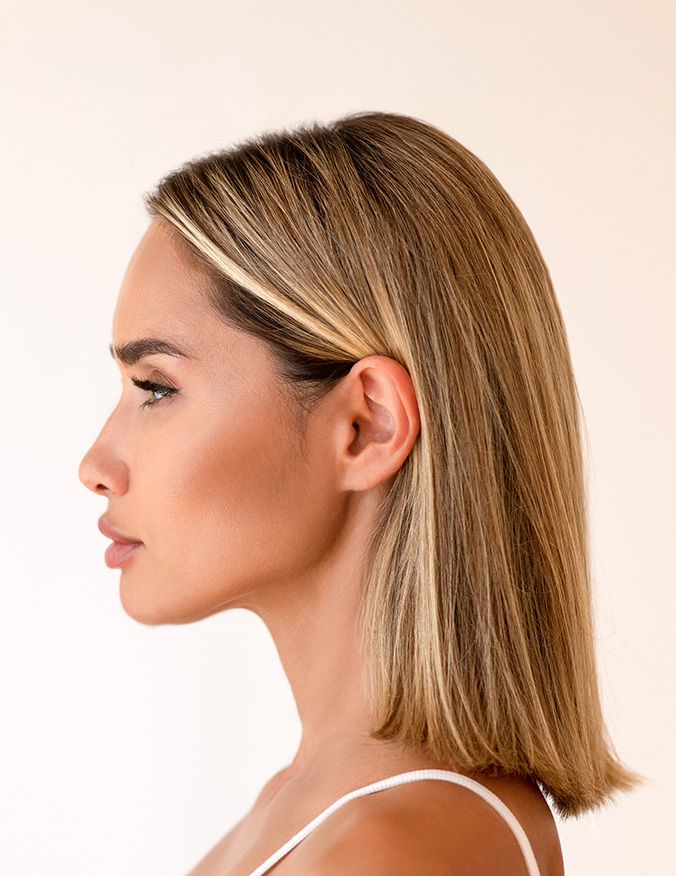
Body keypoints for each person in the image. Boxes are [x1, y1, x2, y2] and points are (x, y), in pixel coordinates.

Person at [79, 112, 638, 876]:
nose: (96, 463)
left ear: (367, 425)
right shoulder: (309, 808)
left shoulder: (397, 849)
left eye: (155, 387)